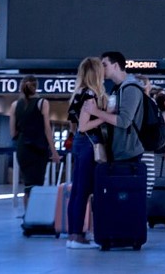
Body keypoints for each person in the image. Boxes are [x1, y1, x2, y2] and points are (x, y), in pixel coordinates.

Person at [65, 58, 106, 248]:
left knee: (77, 191)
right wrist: (104, 117)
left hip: (79, 145)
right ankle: (77, 236)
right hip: (90, 145)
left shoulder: (76, 94)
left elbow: (75, 126)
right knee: (83, 191)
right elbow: (83, 126)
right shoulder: (90, 94)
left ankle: (73, 233)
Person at [81, 51, 145, 165]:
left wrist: (96, 112)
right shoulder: (117, 89)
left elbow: (124, 121)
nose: (101, 69)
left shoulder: (131, 89)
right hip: (118, 152)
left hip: (128, 154)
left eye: (104, 65)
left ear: (115, 65)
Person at [9, 75, 62, 209]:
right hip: (38, 148)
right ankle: (34, 215)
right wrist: (54, 152)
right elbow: (47, 129)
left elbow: (12, 133)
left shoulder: (15, 105)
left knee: (28, 183)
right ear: (36, 86)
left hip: (23, 149)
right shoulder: (42, 103)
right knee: (37, 183)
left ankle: (28, 216)